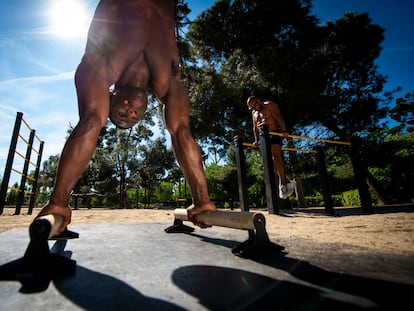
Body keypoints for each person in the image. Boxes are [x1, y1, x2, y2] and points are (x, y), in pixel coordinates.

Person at [35, 0, 216, 234]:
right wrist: (202, 200)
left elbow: (91, 121)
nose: (131, 113)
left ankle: (58, 202)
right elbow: (182, 133)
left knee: (91, 120)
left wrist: (58, 202)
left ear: (110, 96)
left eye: (120, 114)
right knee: (181, 128)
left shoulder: (99, 66)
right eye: (134, 118)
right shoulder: (168, 82)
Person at [246, 96, 295, 199]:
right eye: (252, 108)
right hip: (264, 137)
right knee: (269, 163)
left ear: (258, 101)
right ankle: (286, 180)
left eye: (254, 106)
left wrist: (284, 130)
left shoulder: (270, 106)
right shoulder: (254, 113)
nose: (254, 109)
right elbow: (255, 127)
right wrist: (256, 140)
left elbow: (278, 117)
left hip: (274, 133)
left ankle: (283, 184)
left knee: (276, 157)